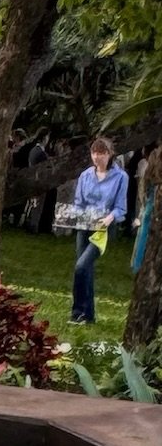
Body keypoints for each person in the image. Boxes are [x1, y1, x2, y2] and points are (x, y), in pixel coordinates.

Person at [70, 135, 130, 324]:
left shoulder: (121, 177)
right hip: (84, 226)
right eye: (94, 153)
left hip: (103, 230)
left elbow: (121, 207)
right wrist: (74, 215)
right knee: (85, 270)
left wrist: (110, 218)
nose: (97, 157)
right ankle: (87, 315)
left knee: (81, 267)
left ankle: (77, 311)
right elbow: (78, 203)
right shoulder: (85, 175)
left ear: (109, 154)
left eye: (101, 153)